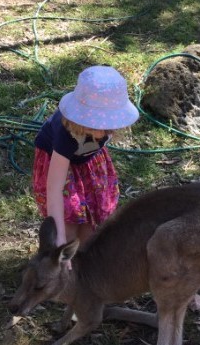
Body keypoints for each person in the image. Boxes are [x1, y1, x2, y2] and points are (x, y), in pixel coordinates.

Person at [33, 65, 139, 248]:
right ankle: (60, 262)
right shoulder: (66, 134)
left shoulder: (105, 127)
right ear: (87, 122)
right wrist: (58, 237)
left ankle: (80, 265)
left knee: (90, 232)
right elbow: (54, 188)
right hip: (61, 168)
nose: (108, 131)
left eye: (111, 124)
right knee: (68, 230)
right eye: (103, 125)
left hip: (88, 162)